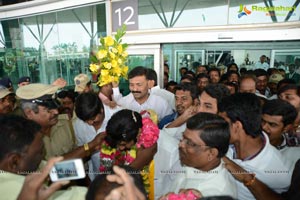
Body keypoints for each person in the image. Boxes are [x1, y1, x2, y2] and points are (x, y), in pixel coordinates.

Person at [219, 93, 293, 200]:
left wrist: (248, 179)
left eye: (223, 123)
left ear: (237, 126)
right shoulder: (221, 142)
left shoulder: (281, 172)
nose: (218, 126)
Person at [0, 115, 87, 200]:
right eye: (40, 152)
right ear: (14, 161)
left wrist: (75, 168)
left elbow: (48, 168)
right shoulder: (21, 190)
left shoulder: (17, 168)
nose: (43, 154)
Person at [16, 83, 105, 161]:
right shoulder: (21, 139)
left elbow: (77, 159)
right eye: (48, 110)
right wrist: (90, 146)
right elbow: (47, 169)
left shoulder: (65, 124)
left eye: (55, 107)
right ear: (29, 113)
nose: (56, 112)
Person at [165, 113, 237, 198]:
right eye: (183, 138)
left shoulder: (215, 193)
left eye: (190, 143)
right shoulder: (195, 163)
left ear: (211, 154)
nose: (181, 144)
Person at [74, 92, 120, 180]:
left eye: (92, 118)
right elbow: (82, 151)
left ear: (101, 110)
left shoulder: (118, 115)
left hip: (120, 176)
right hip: (95, 177)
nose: (90, 123)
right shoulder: (78, 124)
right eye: (85, 120)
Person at [262, 99, 300, 165]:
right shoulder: (246, 138)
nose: (263, 127)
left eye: (272, 125)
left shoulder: (295, 145)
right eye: (262, 121)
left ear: (286, 128)